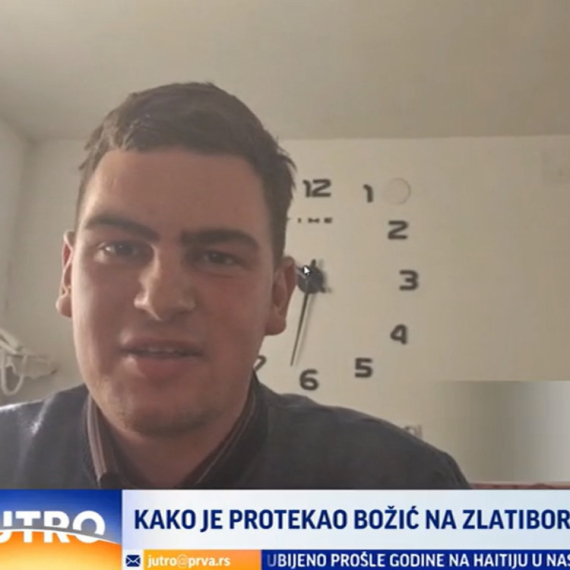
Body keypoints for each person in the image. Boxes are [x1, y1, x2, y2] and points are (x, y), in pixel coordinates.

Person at [0, 82, 469, 489]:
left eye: (217, 257)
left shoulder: (405, 485)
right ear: (68, 274)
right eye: (120, 248)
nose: (161, 300)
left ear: (278, 295)